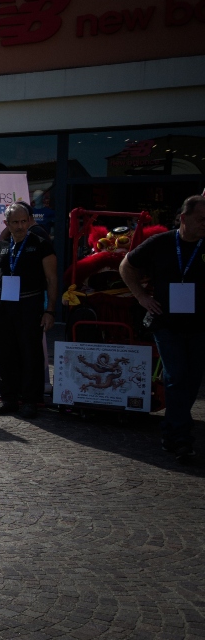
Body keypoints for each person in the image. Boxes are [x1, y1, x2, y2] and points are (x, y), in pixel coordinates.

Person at [121, 194, 205, 459]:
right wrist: (141, 297)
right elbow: (126, 266)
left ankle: (171, 428)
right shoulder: (161, 242)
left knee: (191, 380)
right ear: (184, 218)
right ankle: (181, 438)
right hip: (166, 323)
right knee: (176, 374)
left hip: (200, 324)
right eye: (202, 219)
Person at [0, 204, 58, 418]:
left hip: (29, 305)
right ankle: (7, 398)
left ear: (29, 221)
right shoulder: (1, 247)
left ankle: (29, 400)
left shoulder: (41, 245)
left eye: (23, 221)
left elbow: (51, 280)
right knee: (4, 353)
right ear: (6, 223)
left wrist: (50, 311)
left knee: (30, 353)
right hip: (2, 306)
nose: (19, 226)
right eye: (15, 222)